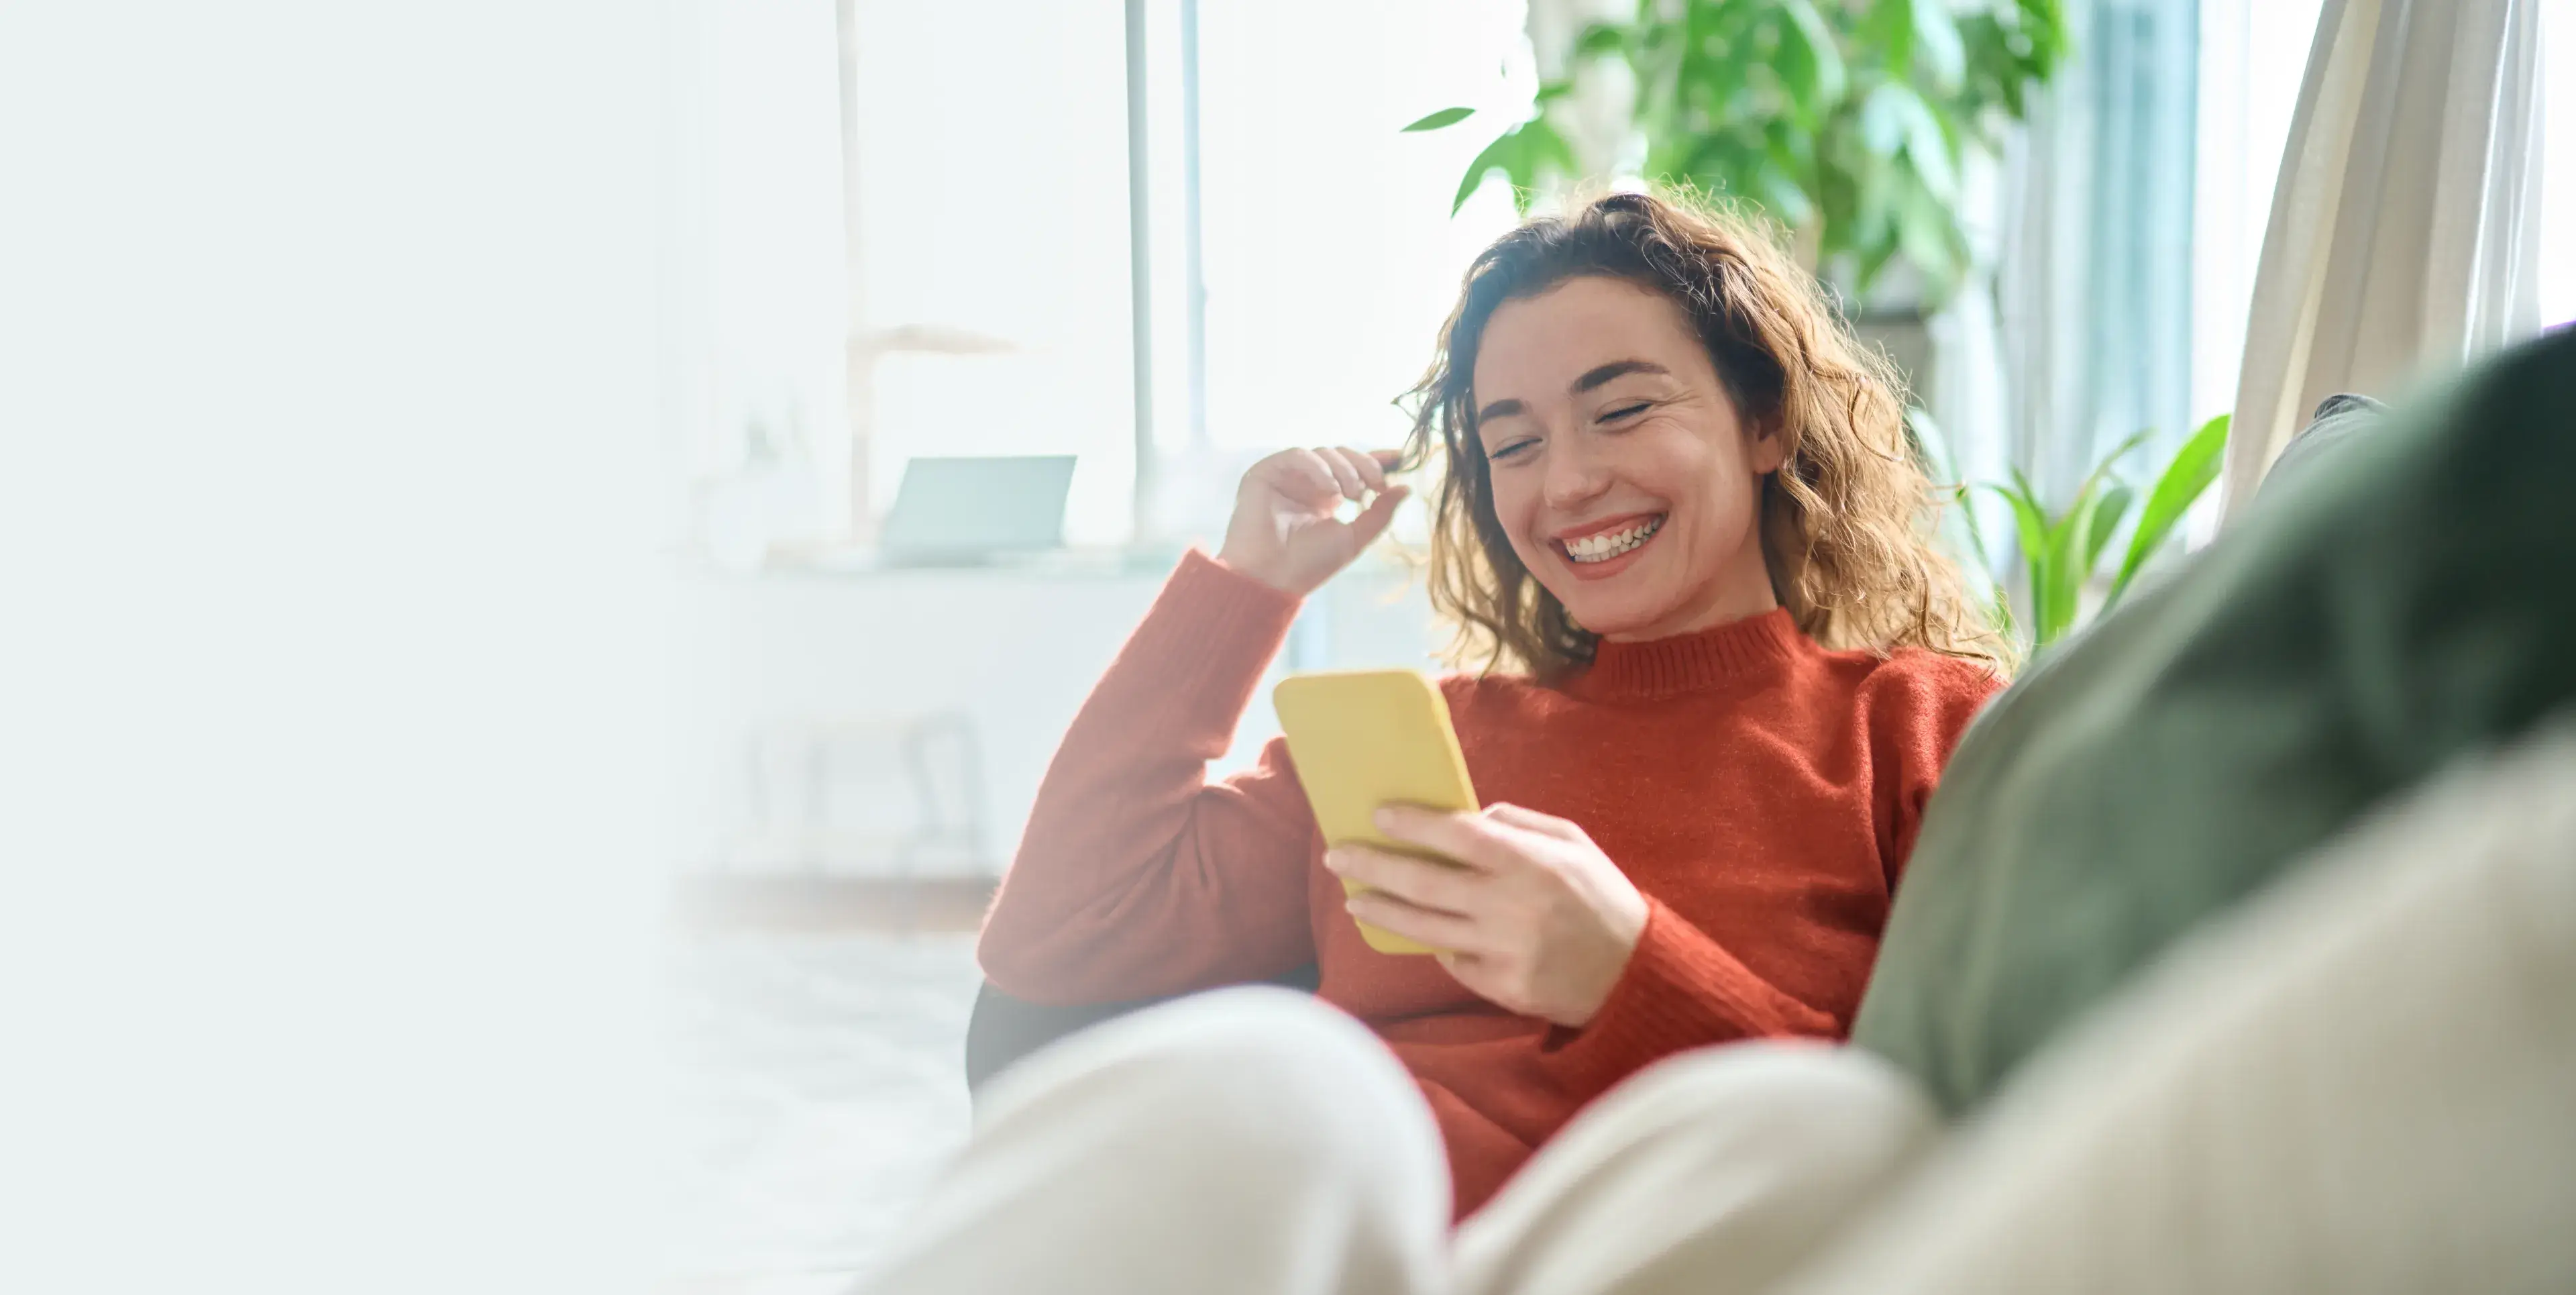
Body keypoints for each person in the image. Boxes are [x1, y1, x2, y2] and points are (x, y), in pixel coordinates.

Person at [953, 188, 2006, 1243]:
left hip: (1667, 1252)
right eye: (1514, 444)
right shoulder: (1426, 746)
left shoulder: (1917, 729)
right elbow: (1053, 944)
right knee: (1265, 1088)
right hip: (1356, 1248)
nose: (1571, 483)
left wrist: (1628, 972)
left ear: (1765, 418)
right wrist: (1246, 587)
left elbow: (1949, 1152)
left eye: (1623, 409)